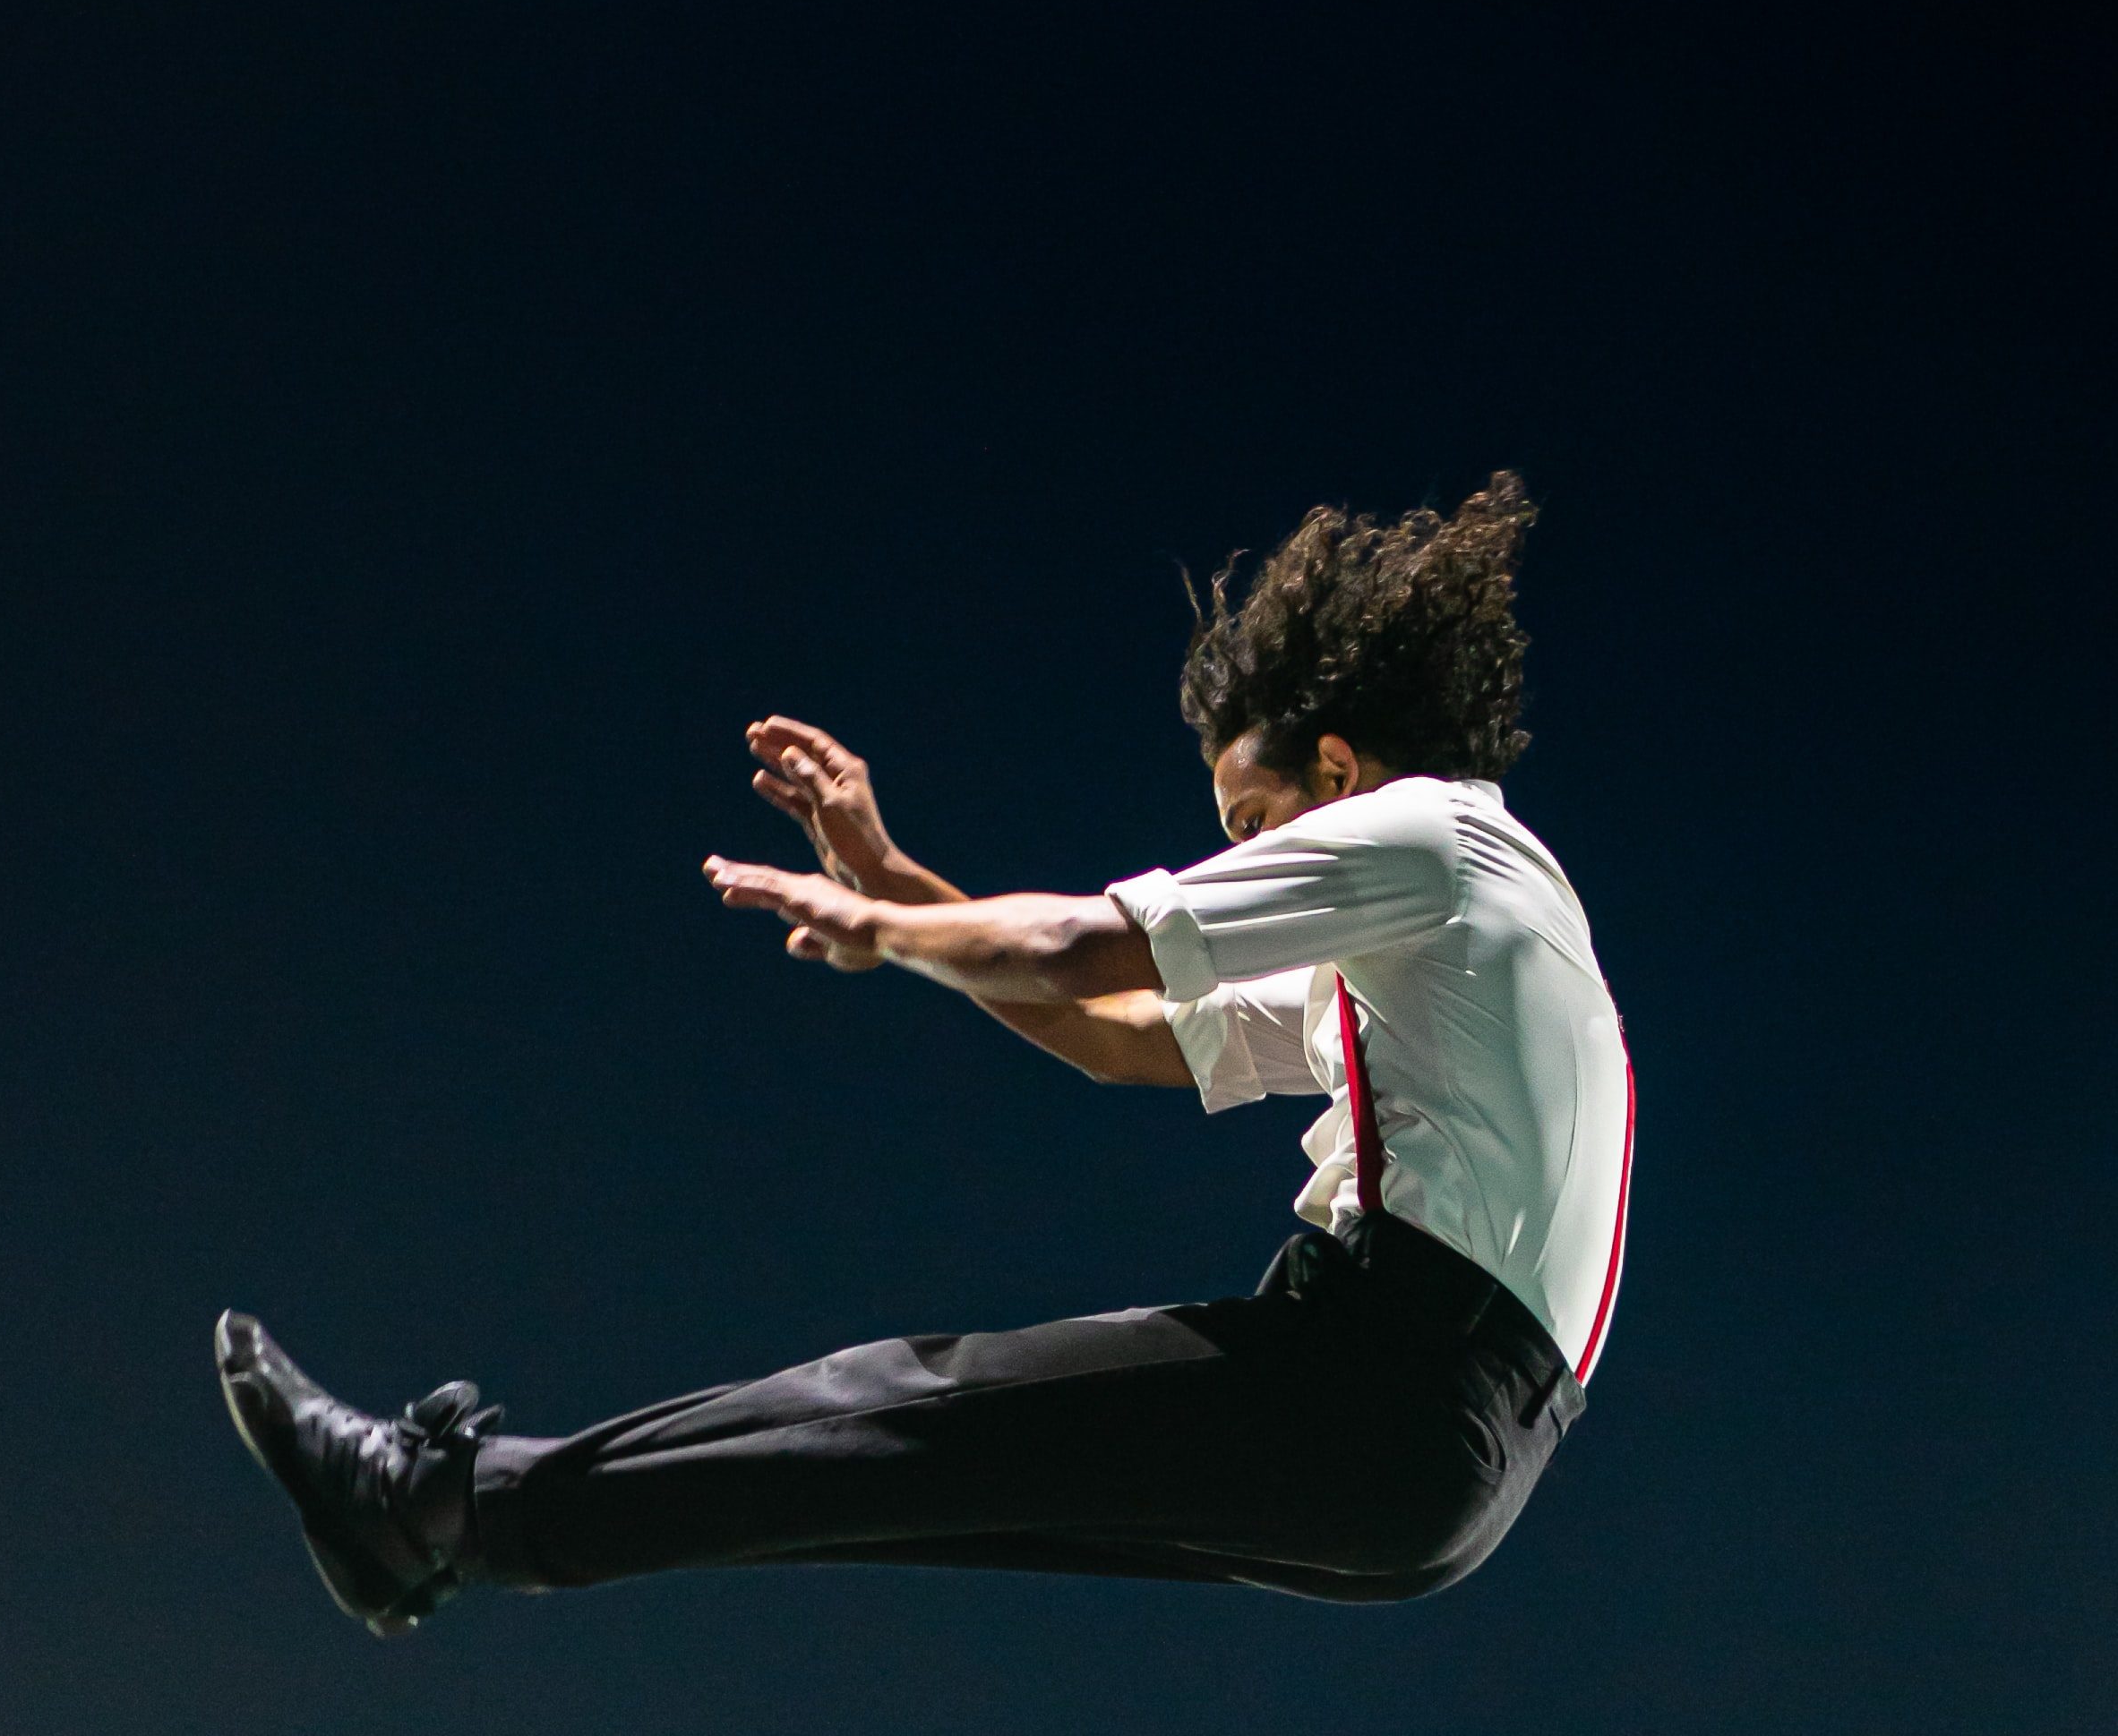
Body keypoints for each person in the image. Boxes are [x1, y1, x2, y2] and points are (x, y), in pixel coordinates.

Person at [216, 473, 1634, 1637]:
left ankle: (429, 1501)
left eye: (1251, 821)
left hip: (1386, 1383)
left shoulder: (1428, 836)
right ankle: (460, 1519)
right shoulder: (1462, 931)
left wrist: (874, 927)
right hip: (1447, 1472)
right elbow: (1115, 1039)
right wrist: (894, 883)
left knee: (900, 1404)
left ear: (1336, 769)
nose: (1247, 858)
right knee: (900, 1468)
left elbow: (1078, 947)